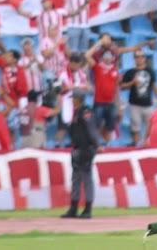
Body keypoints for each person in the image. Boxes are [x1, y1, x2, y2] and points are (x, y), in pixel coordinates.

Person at [61, 90, 101, 219]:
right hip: (77, 148)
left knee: (86, 178)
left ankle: (88, 208)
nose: (73, 101)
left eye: (74, 98)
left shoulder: (85, 112)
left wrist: (96, 144)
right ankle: (74, 207)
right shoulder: (77, 112)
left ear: (79, 99)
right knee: (76, 178)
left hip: (86, 148)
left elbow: (91, 129)